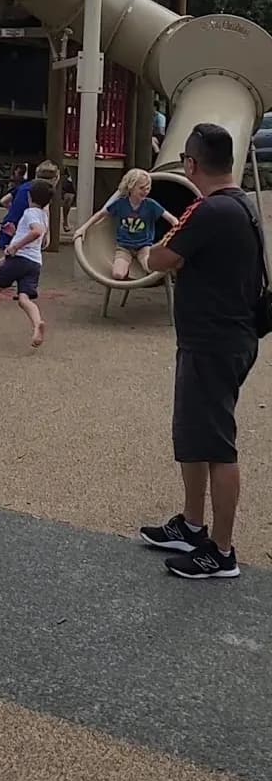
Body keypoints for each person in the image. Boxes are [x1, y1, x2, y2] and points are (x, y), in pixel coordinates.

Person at [141, 123, 261, 580]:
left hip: (213, 343)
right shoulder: (243, 206)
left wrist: (155, 248)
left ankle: (221, 552)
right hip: (225, 338)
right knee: (194, 435)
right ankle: (191, 525)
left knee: (216, 445)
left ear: (191, 165)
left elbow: (159, 258)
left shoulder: (208, 210)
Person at [0, 178, 54, 348]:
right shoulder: (44, 216)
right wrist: (16, 233)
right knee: (24, 299)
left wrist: (14, 246)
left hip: (18, 259)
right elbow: (38, 235)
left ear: (29, 196)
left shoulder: (29, 213)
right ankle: (37, 325)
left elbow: (36, 232)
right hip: (35, 263)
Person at [0, 159, 59, 301]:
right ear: (55, 179)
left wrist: (14, 212)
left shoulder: (23, 187)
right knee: (21, 259)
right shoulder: (44, 193)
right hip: (24, 229)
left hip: (9, 224)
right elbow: (45, 214)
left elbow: (4, 200)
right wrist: (47, 235)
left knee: (10, 258)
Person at [74, 168, 176, 280]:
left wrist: (175, 236)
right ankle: (126, 270)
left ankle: (166, 273)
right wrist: (83, 228)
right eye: (141, 188)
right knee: (118, 275)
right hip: (124, 246)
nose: (145, 191)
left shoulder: (150, 205)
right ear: (131, 187)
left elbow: (172, 219)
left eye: (148, 188)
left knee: (150, 269)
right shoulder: (120, 204)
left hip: (144, 246)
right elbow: (101, 214)